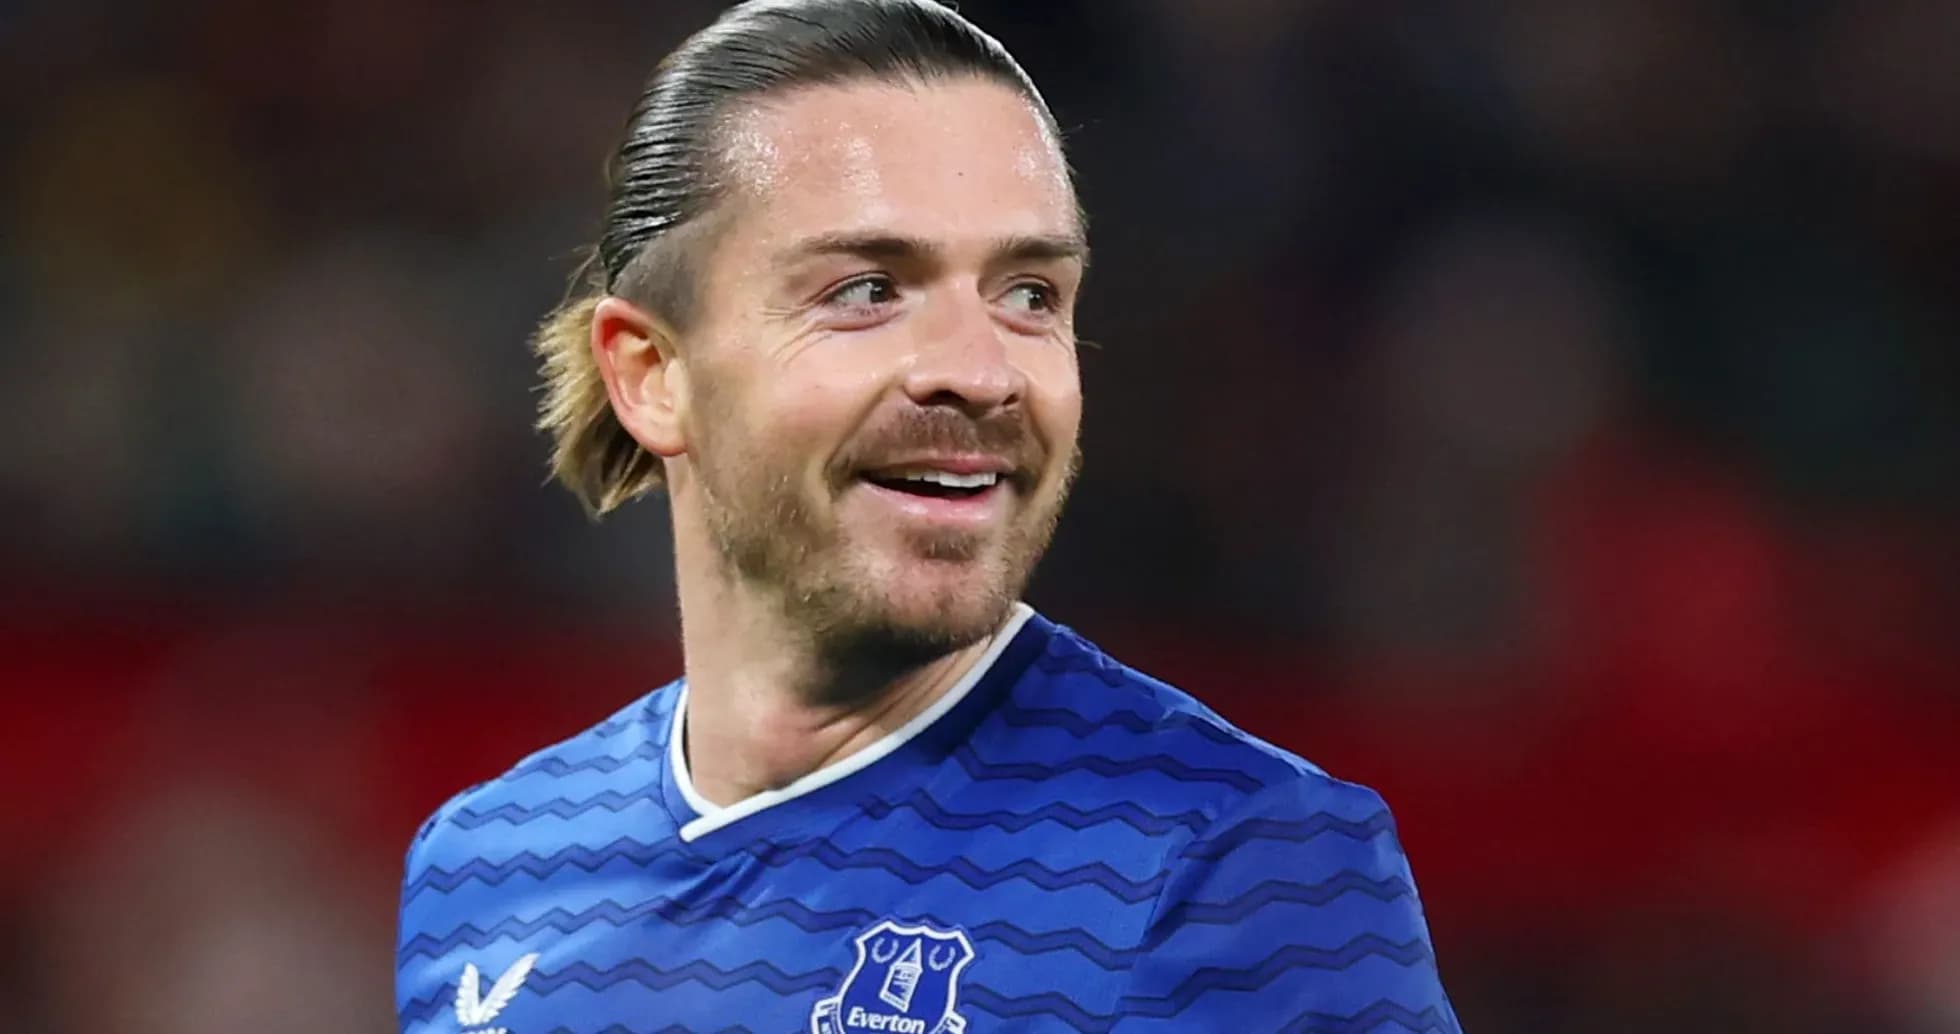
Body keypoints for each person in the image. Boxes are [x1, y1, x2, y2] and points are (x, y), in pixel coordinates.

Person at [395, 1, 1461, 1031]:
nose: (981, 370)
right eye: (866, 288)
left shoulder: (1240, 867)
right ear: (651, 375)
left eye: (1030, 293)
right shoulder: (486, 866)